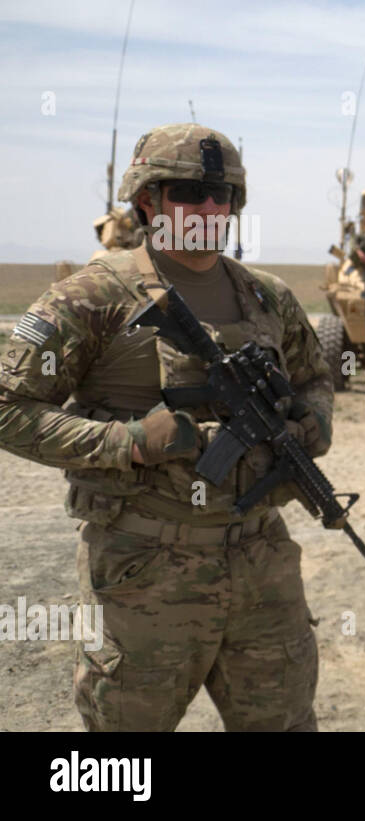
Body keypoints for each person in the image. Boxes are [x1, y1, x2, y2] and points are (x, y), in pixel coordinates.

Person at [0, 123, 331, 731]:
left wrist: (314, 421)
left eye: (220, 193)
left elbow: (315, 377)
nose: (208, 206)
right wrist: (122, 443)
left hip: (263, 563)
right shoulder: (91, 297)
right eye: (186, 192)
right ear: (147, 200)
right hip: (144, 572)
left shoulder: (267, 296)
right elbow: (8, 407)